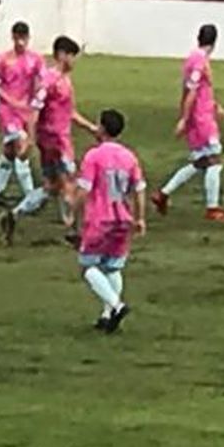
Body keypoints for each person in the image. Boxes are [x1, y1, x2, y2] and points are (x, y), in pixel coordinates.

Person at [0, 36, 99, 245]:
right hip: (55, 141)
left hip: (56, 139)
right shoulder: (50, 80)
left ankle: (14, 215)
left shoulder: (64, 81)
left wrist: (91, 128)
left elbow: (69, 111)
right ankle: (73, 230)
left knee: (51, 186)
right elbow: (34, 110)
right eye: (72, 56)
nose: (74, 61)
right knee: (70, 182)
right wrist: (31, 140)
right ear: (62, 55)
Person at [69, 109, 147, 333]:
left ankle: (117, 305)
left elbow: (84, 190)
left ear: (102, 128)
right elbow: (139, 190)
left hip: (100, 219)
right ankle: (107, 315)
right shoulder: (129, 156)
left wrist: (73, 214)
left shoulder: (94, 156)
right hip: (123, 219)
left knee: (89, 267)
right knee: (112, 268)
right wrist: (140, 218)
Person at [152, 24, 224, 223]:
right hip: (201, 119)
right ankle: (212, 208)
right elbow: (192, 91)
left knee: (200, 162)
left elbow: (194, 90)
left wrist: (215, 106)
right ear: (215, 42)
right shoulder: (200, 61)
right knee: (214, 161)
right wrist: (185, 118)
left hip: (200, 115)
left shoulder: (192, 58)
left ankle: (163, 194)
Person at [0, 20, 43, 208]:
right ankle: (30, 195)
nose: (21, 42)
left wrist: (36, 101)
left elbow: (42, 81)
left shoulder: (35, 59)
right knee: (21, 145)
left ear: (28, 38)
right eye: (17, 37)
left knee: (10, 151)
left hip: (24, 110)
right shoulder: (3, 60)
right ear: (13, 37)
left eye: (24, 38)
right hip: (6, 110)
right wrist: (10, 100)